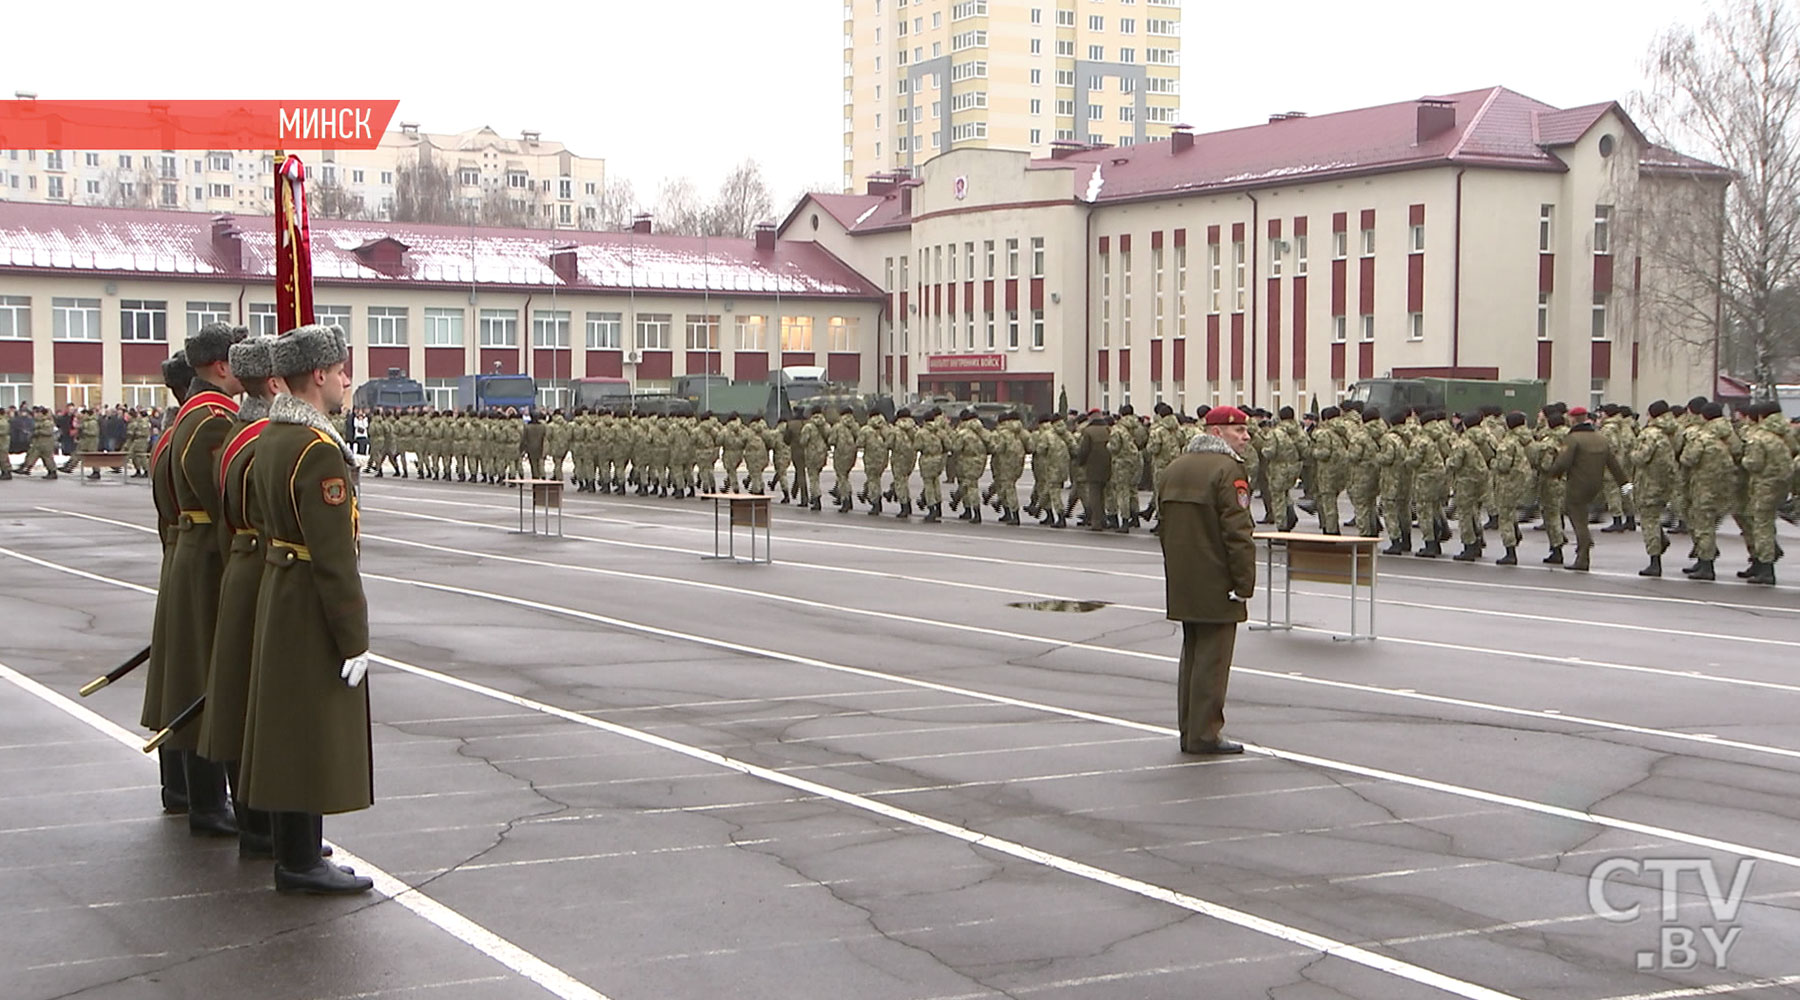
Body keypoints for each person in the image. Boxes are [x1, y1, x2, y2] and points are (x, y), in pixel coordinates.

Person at [240, 323, 374, 895]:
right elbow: (334, 556)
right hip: (306, 602)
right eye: (341, 369)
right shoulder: (317, 451)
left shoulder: (270, 435)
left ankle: (297, 849)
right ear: (317, 375)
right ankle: (298, 862)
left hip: (279, 588)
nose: (347, 379)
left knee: (287, 726)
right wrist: (354, 637)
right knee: (307, 730)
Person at [154, 321, 247, 836]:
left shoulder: (192, 416)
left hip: (189, 551)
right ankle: (209, 804)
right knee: (209, 677)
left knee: (192, 672)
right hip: (209, 557)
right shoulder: (212, 418)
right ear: (221, 367)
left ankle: (198, 797)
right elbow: (222, 499)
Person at [197, 337, 279, 859]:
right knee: (265, 710)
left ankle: (257, 826)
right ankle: (266, 830)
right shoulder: (264, 438)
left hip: (242, 568)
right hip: (266, 575)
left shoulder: (234, 433)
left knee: (238, 703)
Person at [1156, 405, 1257, 755]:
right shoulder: (1228, 471)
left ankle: (1190, 729)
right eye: (1238, 431)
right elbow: (1238, 533)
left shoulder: (1174, 467)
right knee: (1212, 663)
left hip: (1184, 578)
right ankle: (1204, 735)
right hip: (1218, 581)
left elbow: (1163, 526)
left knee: (1193, 658)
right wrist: (1244, 584)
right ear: (1217, 433)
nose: (1246, 438)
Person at [1548, 406, 1627, 572]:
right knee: (1581, 517)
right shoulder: (1601, 438)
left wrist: (1553, 473)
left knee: (1579, 521)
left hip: (1577, 485)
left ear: (1573, 419)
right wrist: (1626, 485)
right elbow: (1614, 465)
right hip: (1596, 485)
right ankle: (1584, 546)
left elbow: (1563, 462)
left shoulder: (1573, 439)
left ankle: (1583, 555)